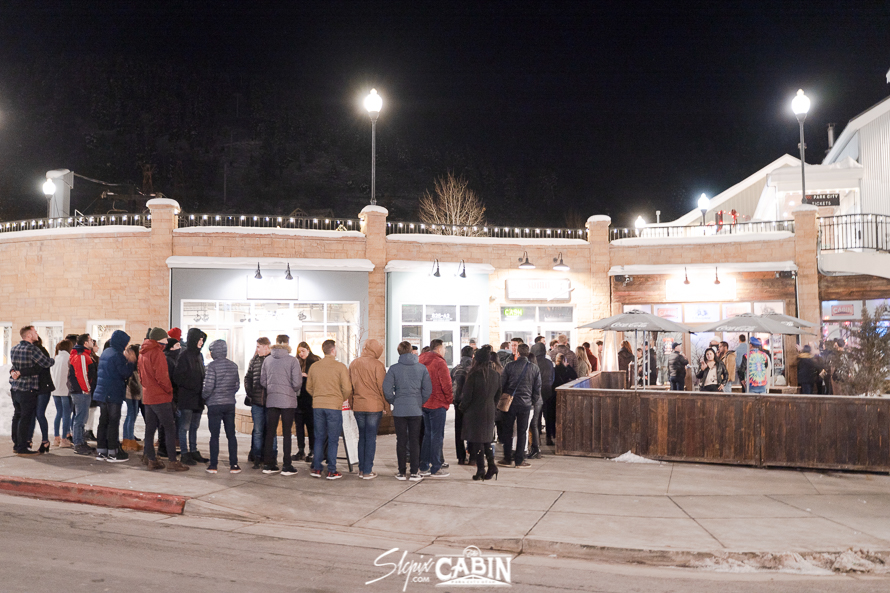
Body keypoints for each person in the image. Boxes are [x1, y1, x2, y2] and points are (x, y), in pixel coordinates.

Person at [139, 328, 188, 471]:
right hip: (160, 396)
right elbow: (162, 376)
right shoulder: (157, 353)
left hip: (148, 396)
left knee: (150, 429)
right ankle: (173, 462)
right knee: (169, 428)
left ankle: (151, 459)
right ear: (159, 339)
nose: (167, 340)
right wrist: (169, 390)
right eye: (165, 338)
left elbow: (141, 375)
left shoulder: (143, 352)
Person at [383, 341, 432, 481]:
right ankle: (415, 471)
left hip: (400, 409)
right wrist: (419, 401)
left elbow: (386, 389)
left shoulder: (394, 369)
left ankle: (402, 471)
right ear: (411, 351)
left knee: (401, 441)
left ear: (399, 352)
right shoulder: (421, 368)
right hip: (416, 409)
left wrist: (394, 401)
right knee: (414, 440)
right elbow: (428, 389)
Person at [306, 339, 352, 480]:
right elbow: (347, 388)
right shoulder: (340, 367)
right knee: (333, 439)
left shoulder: (314, 367)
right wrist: (340, 399)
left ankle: (316, 468)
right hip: (334, 406)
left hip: (318, 405)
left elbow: (309, 387)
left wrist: (318, 396)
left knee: (319, 437)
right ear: (333, 350)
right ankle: (331, 470)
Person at [260, 336, 303, 476]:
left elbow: (263, 381)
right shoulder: (293, 360)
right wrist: (291, 390)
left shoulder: (267, 360)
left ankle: (268, 464)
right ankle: (287, 465)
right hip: (288, 401)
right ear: (288, 344)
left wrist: (273, 389)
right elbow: (297, 383)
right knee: (287, 433)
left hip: (272, 399)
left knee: (270, 432)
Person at [9, 326, 55, 456]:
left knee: (17, 416)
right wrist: (53, 359)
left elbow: (14, 366)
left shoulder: (14, 348)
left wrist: (15, 372)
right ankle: (22, 447)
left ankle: (16, 444)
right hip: (28, 388)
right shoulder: (32, 349)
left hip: (15, 388)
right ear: (29, 335)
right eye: (35, 332)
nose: (37, 334)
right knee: (26, 418)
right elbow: (46, 363)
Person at [92, 330, 137, 462]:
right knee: (113, 422)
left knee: (103, 421)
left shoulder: (106, 352)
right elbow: (124, 373)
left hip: (102, 392)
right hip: (113, 393)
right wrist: (131, 362)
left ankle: (101, 451)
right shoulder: (117, 355)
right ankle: (113, 452)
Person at [460, 346, 501, 481]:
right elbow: (498, 394)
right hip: (489, 411)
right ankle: (491, 465)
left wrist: (462, 408)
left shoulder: (473, 375)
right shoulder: (495, 375)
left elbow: (467, 397)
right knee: (486, 440)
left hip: (475, 412)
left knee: (477, 441)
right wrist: (492, 406)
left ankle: (481, 469)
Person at [348, 338, 387, 480]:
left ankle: (361, 469)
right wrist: (386, 405)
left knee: (362, 437)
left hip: (358, 405)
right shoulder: (378, 365)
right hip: (374, 407)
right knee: (370, 438)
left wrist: (352, 403)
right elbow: (382, 388)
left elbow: (349, 387)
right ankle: (367, 470)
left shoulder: (354, 363)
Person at [499, 343, 542, 469]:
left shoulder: (509, 366)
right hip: (526, 404)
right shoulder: (534, 368)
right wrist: (532, 401)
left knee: (508, 431)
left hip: (511, 403)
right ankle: (519, 460)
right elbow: (537, 388)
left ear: (517, 353)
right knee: (522, 432)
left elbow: (502, 384)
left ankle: (507, 458)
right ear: (528, 354)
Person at [202, 339, 241, 474]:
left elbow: (208, 387)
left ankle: (213, 465)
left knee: (214, 435)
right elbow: (236, 385)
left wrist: (204, 398)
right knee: (231, 435)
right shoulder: (233, 366)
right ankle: (234, 464)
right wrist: (228, 394)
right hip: (229, 403)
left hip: (215, 404)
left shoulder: (211, 367)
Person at [418, 339, 453, 478]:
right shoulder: (439, 362)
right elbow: (446, 384)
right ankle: (436, 467)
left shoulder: (420, 360)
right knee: (437, 436)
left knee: (427, 435)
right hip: (437, 403)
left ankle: (424, 466)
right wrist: (449, 400)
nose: (444, 351)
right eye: (443, 348)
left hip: (424, 403)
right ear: (439, 349)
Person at [173, 328, 209, 466]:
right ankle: (184, 453)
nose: (201, 342)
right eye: (199, 339)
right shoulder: (184, 356)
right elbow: (178, 377)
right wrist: (194, 385)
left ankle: (193, 450)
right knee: (184, 427)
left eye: (202, 340)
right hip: (187, 398)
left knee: (194, 426)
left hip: (198, 398)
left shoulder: (199, 356)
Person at [244, 337, 276, 469]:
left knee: (271, 431)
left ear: (266, 347)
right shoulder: (254, 360)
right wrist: (250, 392)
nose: (256, 349)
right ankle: (256, 457)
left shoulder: (274, 360)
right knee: (257, 430)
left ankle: (271, 457)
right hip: (256, 402)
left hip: (271, 402)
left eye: (258, 346)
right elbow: (248, 377)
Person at [67, 334, 97, 455]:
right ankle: (78, 444)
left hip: (79, 391)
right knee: (80, 418)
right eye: (90, 340)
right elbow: (82, 374)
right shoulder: (82, 356)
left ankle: (80, 442)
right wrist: (86, 389)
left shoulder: (82, 355)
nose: (92, 342)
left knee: (81, 418)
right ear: (85, 343)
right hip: (81, 392)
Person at [296, 341, 320, 462]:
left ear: (308, 350)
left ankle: (312, 450)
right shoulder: (296, 362)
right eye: (299, 351)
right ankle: (301, 450)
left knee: (311, 426)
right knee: (299, 427)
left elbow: (318, 378)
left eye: (303, 351)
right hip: (298, 399)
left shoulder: (314, 361)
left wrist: (307, 376)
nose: (301, 354)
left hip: (310, 399)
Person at [450, 345, 473, 465]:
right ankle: (473, 455)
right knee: (472, 429)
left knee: (458, 430)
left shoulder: (455, 369)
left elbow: (451, 385)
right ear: (472, 355)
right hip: (471, 404)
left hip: (457, 403)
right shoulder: (474, 368)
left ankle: (461, 457)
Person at [526, 348, 550, 459]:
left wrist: (532, 400)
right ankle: (536, 448)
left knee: (533, 425)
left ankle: (535, 448)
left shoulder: (531, 371)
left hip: (534, 401)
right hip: (538, 400)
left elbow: (535, 388)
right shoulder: (537, 370)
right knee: (534, 424)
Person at [532, 342, 556, 447]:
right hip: (548, 391)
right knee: (548, 416)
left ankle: (537, 440)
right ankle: (548, 438)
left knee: (536, 417)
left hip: (537, 392)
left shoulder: (533, 363)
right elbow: (553, 377)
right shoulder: (549, 363)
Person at [50, 340, 73, 448]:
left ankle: (56, 438)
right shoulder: (69, 358)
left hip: (55, 390)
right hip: (66, 390)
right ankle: (64, 439)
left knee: (58, 413)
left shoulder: (56, 358)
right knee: (66, 415)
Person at [122, 345, 143, 452]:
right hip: (131, 393)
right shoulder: (132, 364)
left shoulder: (132, 363)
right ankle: (129, 440)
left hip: (132, 393)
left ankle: (128, 439)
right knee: (131, 415)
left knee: (132, 414)